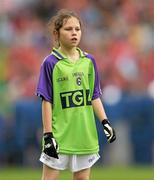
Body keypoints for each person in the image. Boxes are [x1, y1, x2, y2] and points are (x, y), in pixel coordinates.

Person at [36, 9, 116, 180]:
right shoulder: (50, 63)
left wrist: (105, 122)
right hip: (60, 134)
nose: (74, 33)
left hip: (84, 134)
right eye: (68, 29)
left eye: (77, 29)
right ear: (56, 33)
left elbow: (94, 95)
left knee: (81, 178)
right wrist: (48, 134)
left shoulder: (89, 61)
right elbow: (47, 101)